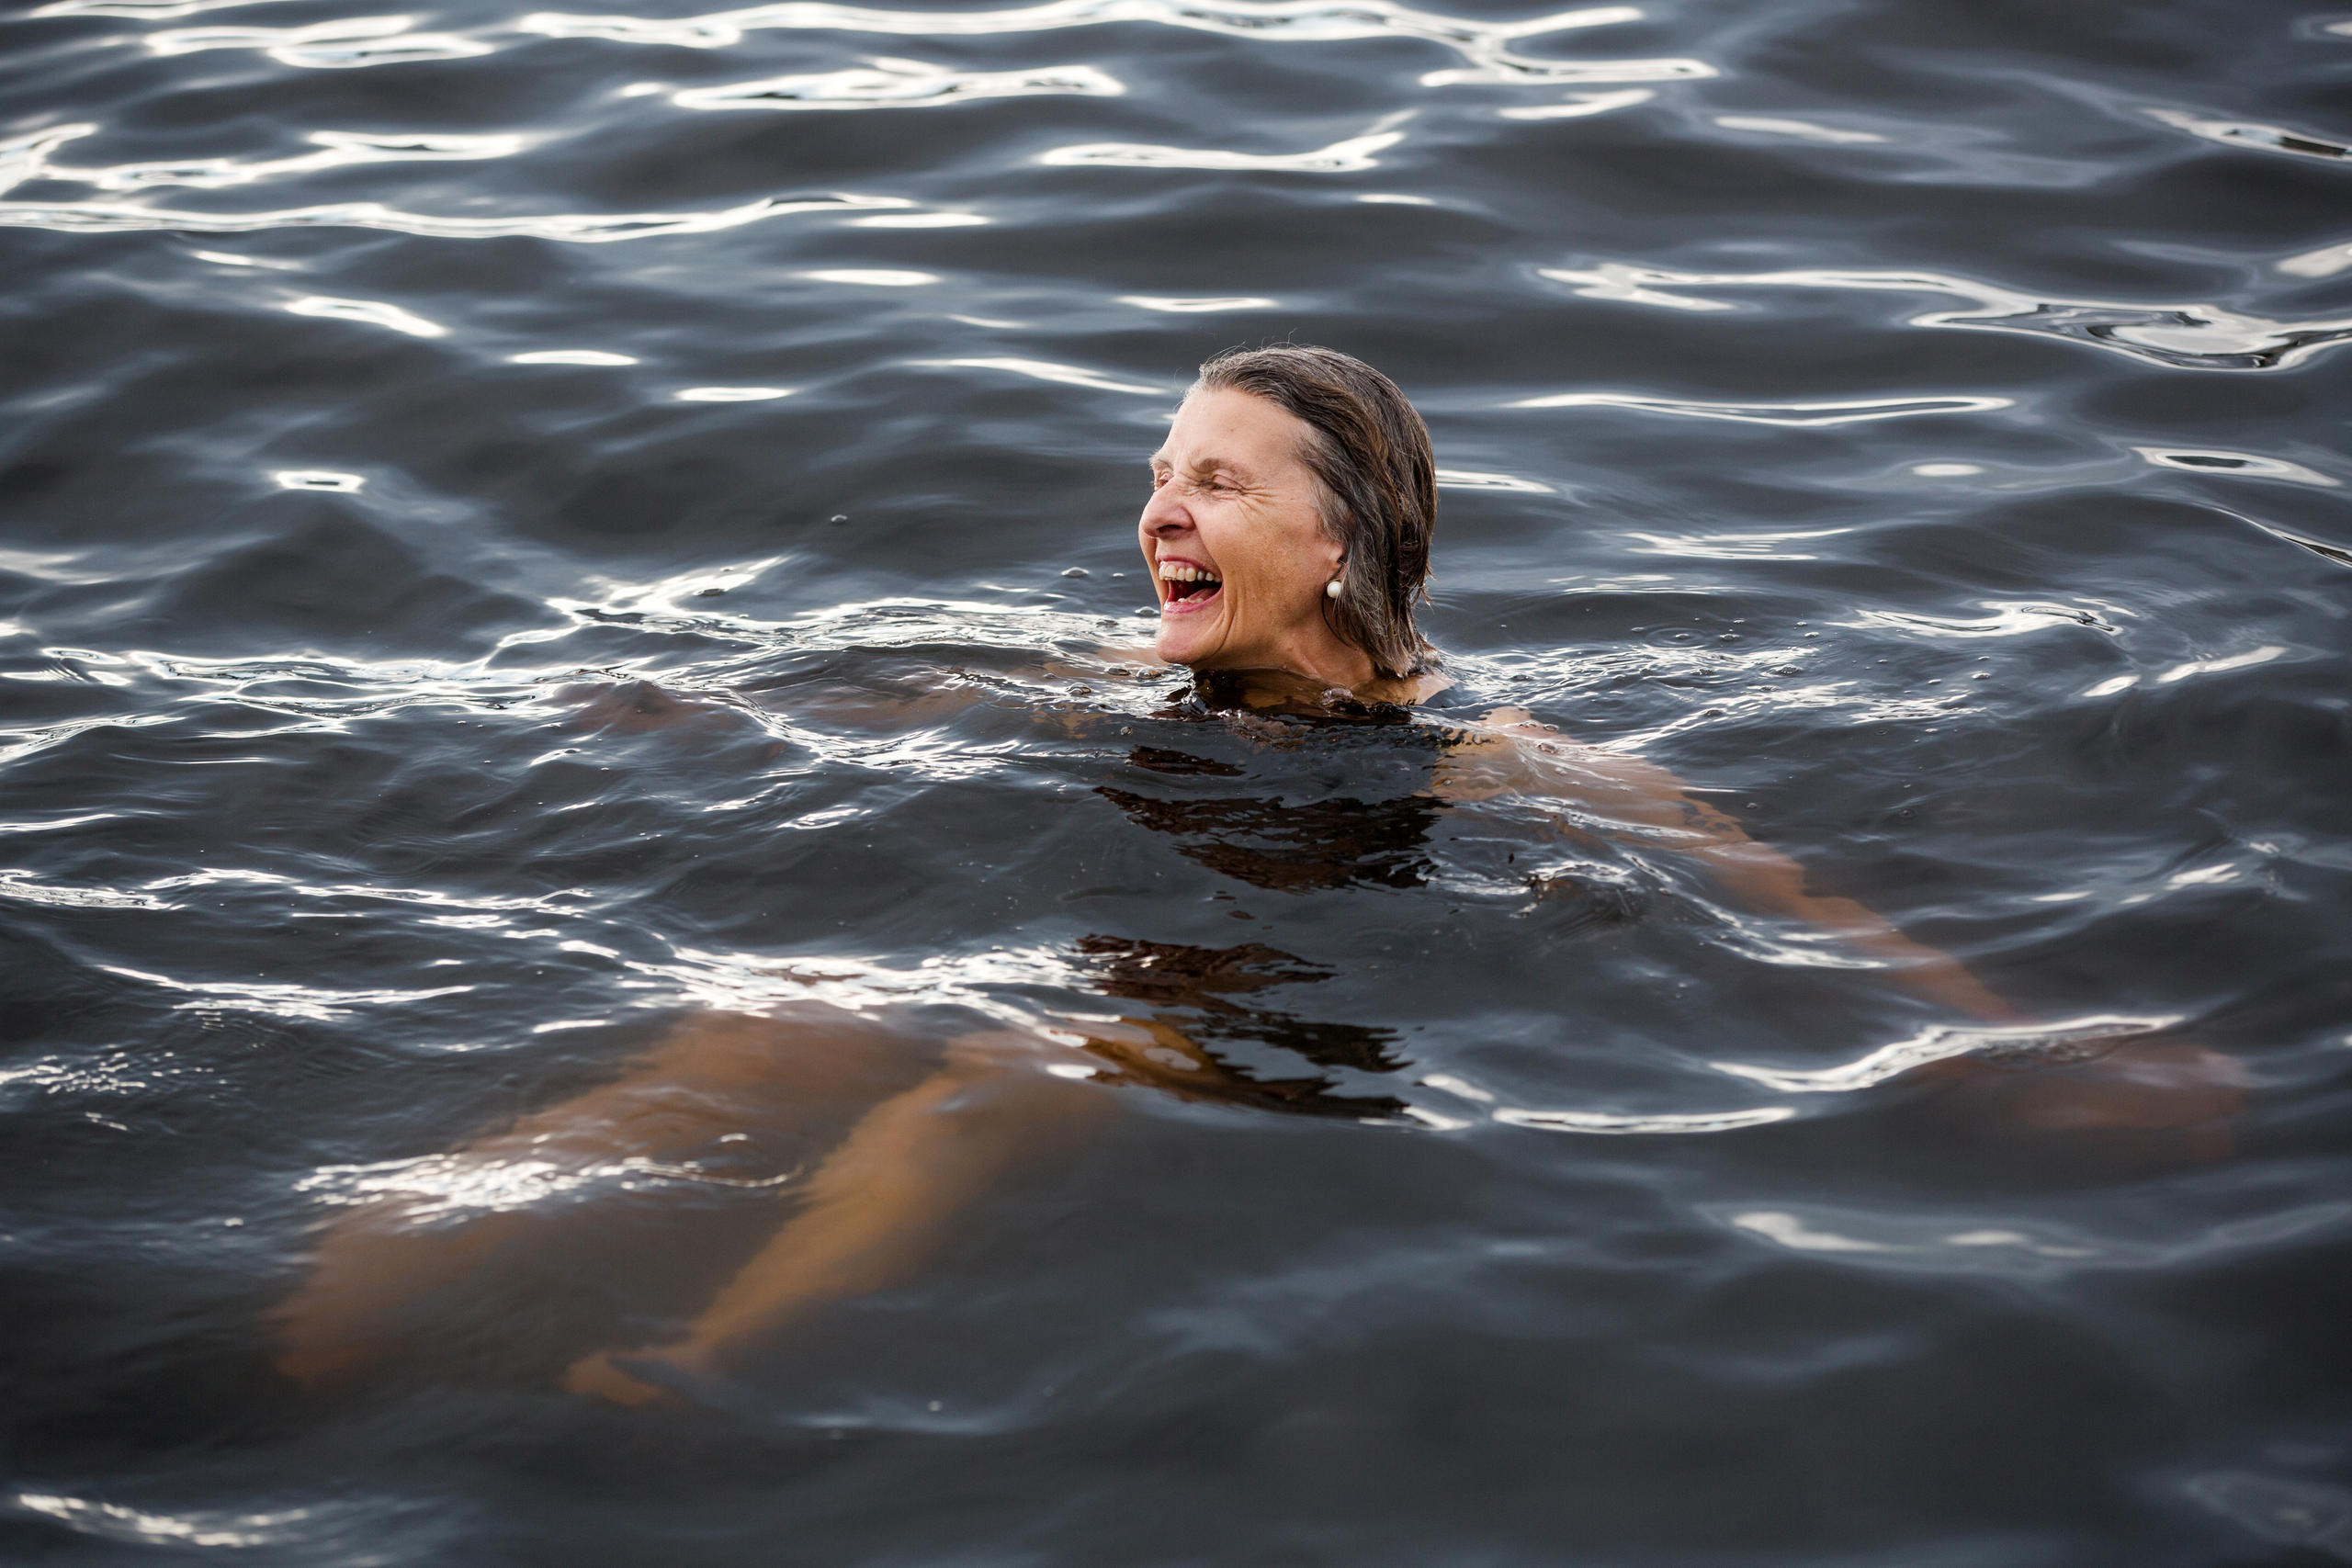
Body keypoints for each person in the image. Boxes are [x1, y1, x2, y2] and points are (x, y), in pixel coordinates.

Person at [273, 345, 2243, 1404]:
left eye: (1216, 479)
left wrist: (2021, 1035)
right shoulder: (1125, 676)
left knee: (991, 1085)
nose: (1158, 506)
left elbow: (1795, 911)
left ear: (1341, 542)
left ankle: (696, 1369)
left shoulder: (1503, 760)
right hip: (1121, 960)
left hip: (1304, 1035)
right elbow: (886, 696)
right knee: (764, 1014)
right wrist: (672, 711)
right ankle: (347, 1297)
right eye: (1158, 467)